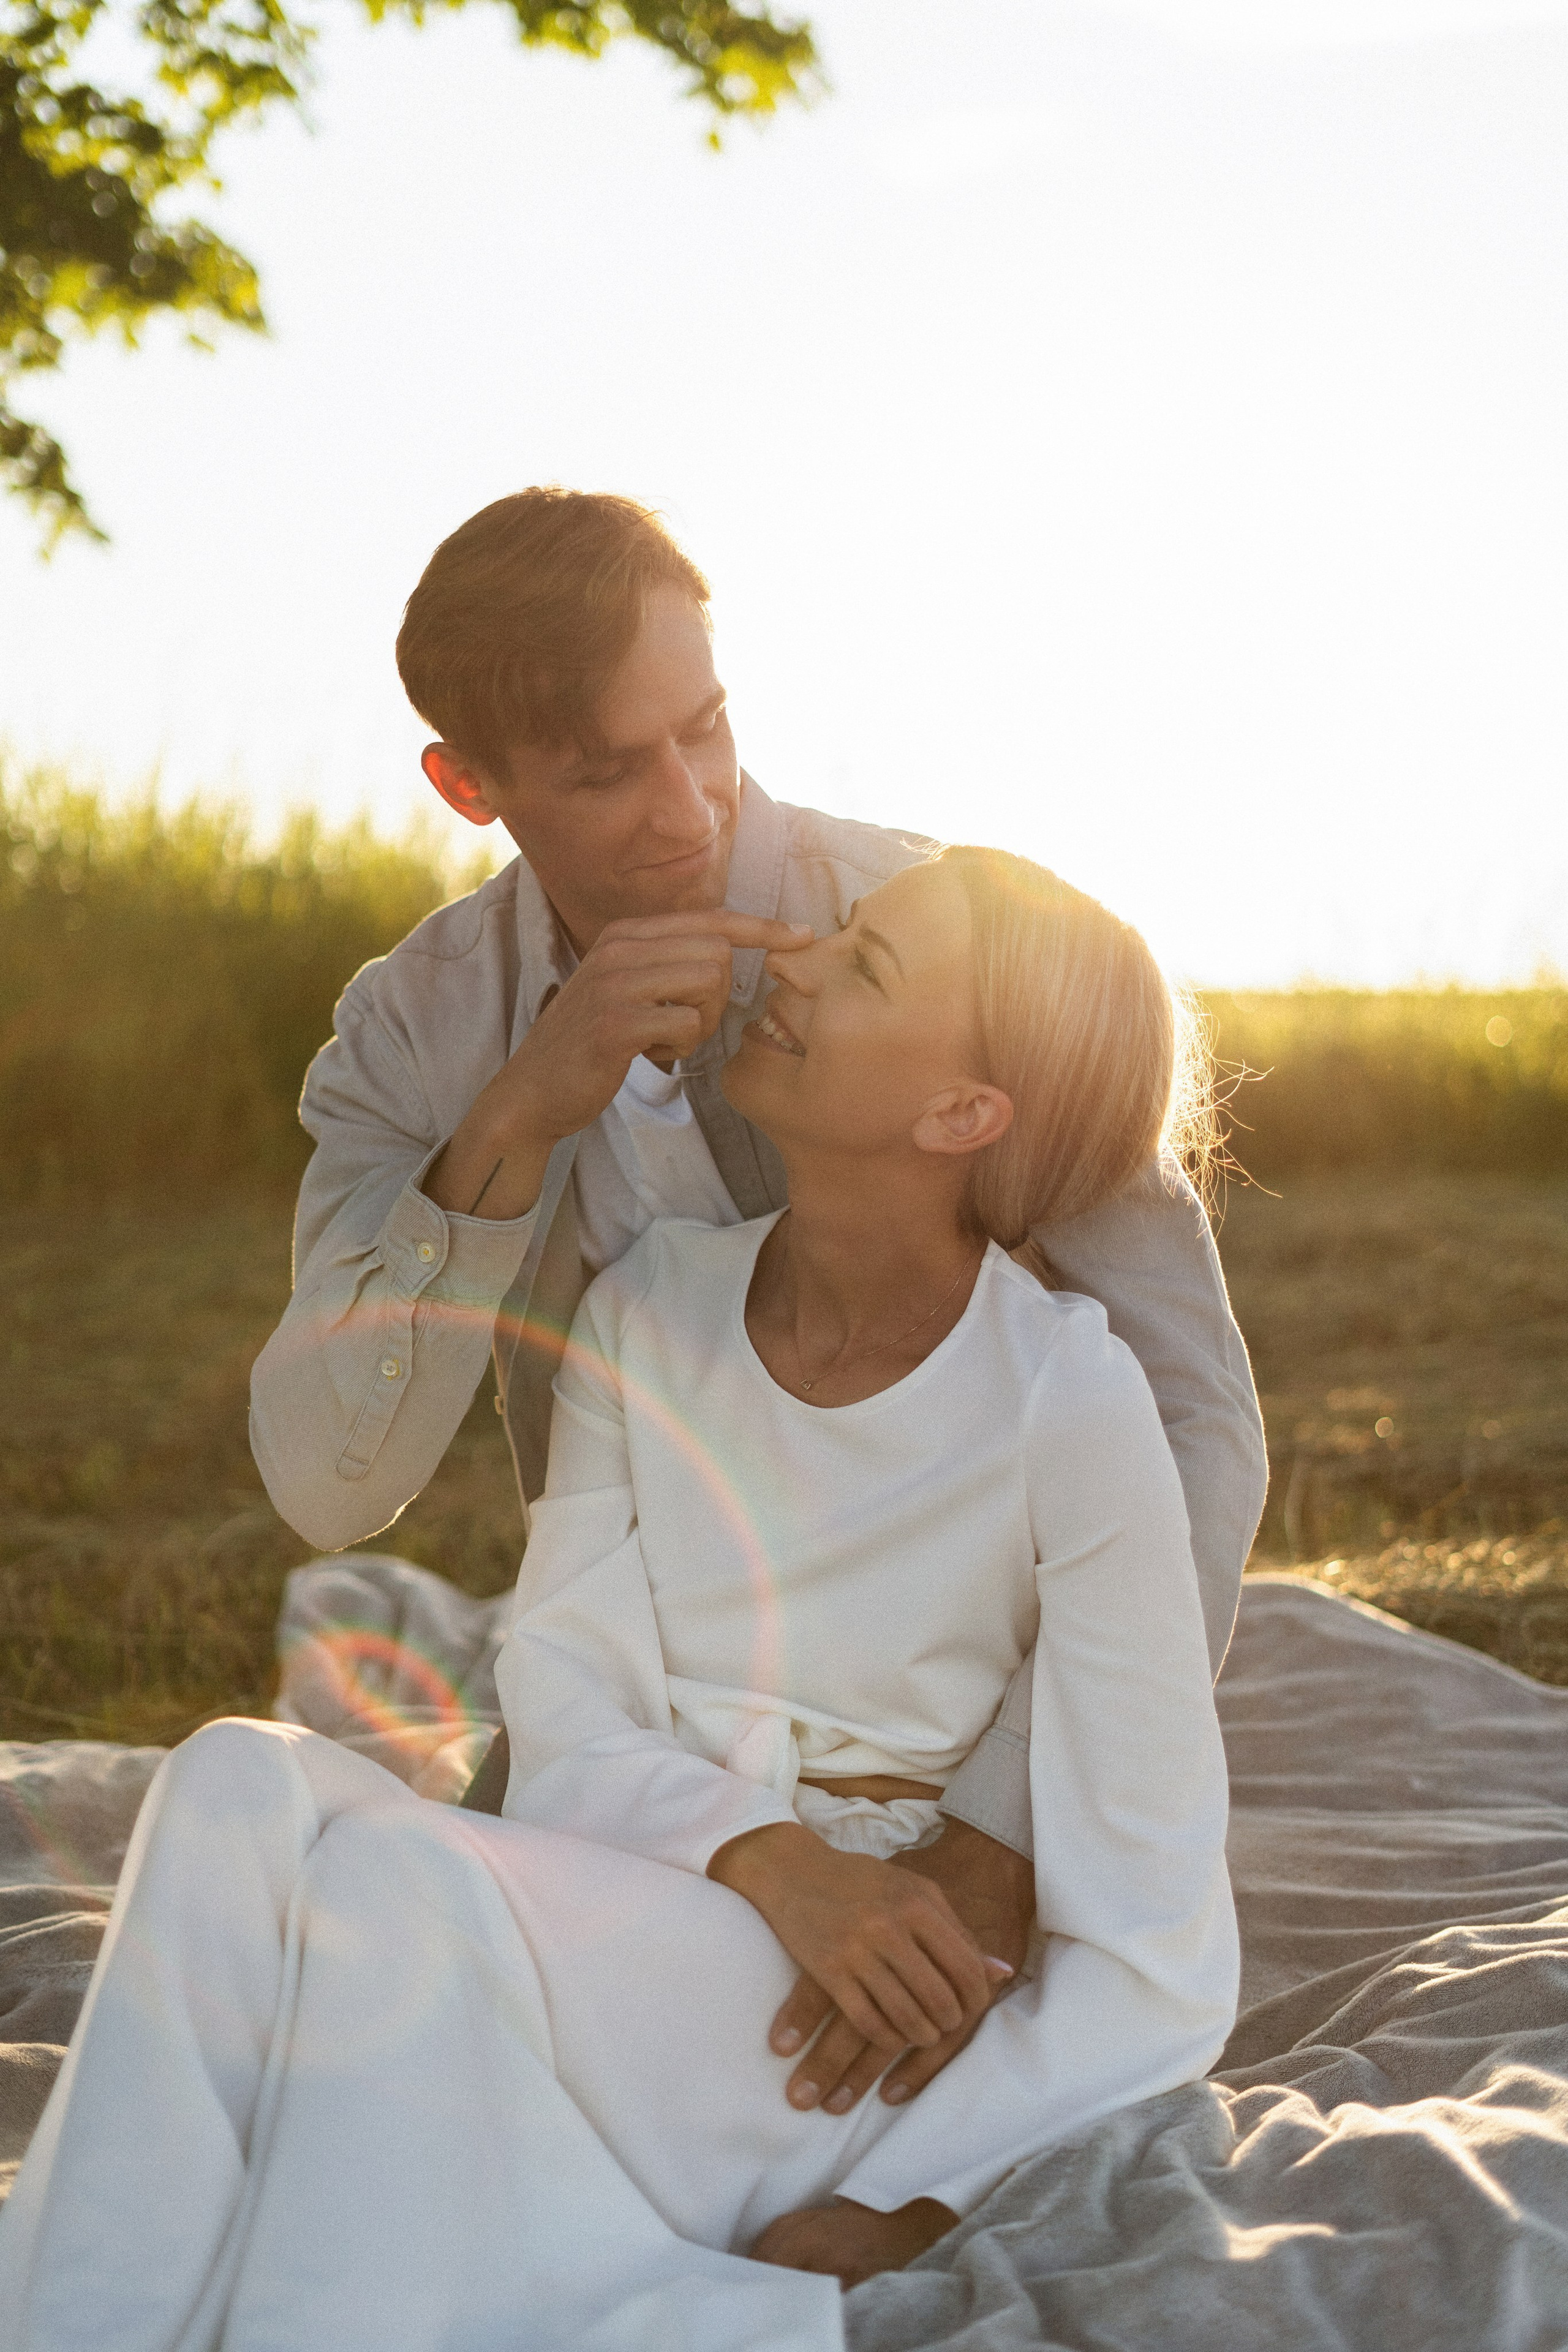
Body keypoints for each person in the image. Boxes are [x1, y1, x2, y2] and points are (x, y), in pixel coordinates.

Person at [0, 848, 1238, 2348]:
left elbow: (1157, 1944)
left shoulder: (1066, 1391)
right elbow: (567, 1706)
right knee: (230, 1783)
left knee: (394, 1890)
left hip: (816, 2008)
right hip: (649, 1871)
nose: (791, 962)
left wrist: (914, 2198)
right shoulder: (648, 1307)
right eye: (839, 932)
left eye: (866, 969)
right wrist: (764, 1854)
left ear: (959, 1115)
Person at [248, 486, 1266, 2095]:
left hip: (972, 1732)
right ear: (470, 784)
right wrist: (518, 1119)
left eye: (704, 731)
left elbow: (1199, 1417)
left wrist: (1002, 1831)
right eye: (605, 770)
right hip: (641, 1748)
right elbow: (328, 1483)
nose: (687, 809)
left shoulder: (944, 939)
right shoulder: (411, 1038)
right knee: (335, 1992)